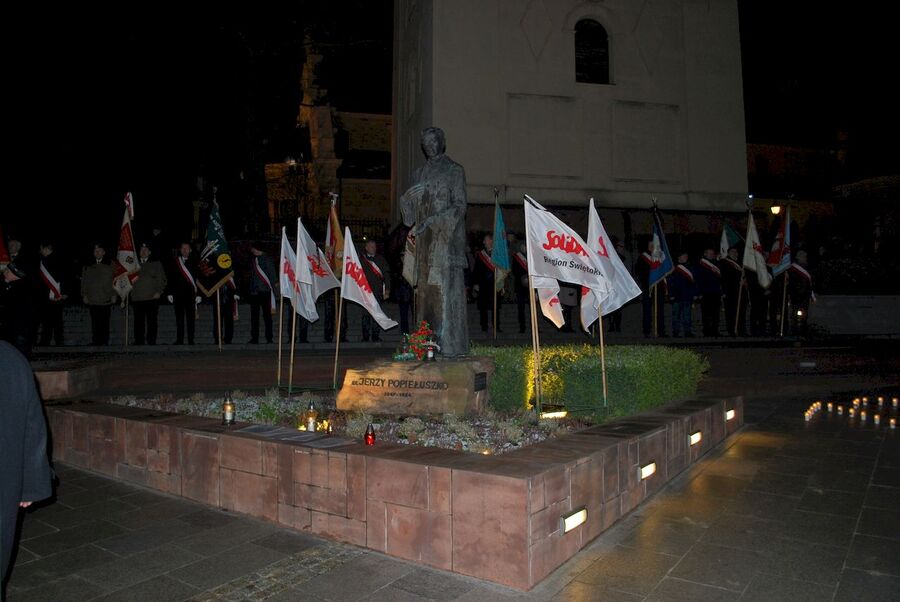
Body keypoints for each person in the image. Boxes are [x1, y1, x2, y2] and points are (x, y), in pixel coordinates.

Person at [399, 126, 470, 357]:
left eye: (433, 142)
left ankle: (448, 347)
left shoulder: (453, 170)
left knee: (445, 295)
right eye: (425, 143)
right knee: (424, 296)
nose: (429, 146)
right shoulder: (417, 175)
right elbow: (408, 219)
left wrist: (433, 221)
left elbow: (460, 206)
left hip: (444, 243)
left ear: (442, 142)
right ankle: (424, 344)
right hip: (423, 246)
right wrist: (406, 201)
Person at [1, 341, 53, 594]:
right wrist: (30, 485)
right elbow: (34, 424)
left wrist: (31, 483)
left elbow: (32, 422)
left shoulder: (9, 358)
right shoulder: (9, 356)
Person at [131, 242, 167, 345]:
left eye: (146, 250)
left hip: (152, 297)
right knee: (138, 322)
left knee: (152, 321)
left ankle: (151, 341)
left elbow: (162, 279)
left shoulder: (156, 264)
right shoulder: (133, 265)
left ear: (150, 252)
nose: (143, 252)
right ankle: (139, 340)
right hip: (137, 298)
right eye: (141, 250)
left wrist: (159, 292)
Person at [81, 243, 116, 346]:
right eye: (95, 251)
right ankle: (96, 341)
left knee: (104, 322)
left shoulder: (111, 264)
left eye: (99, 250)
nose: (97, 252)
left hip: (105, 298)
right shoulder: (88, 265)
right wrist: (84, 294)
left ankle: (104, 341)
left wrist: (114, 294)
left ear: (104, 252)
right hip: (93, 298)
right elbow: (84, 281)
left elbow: (116, 280)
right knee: (95, 322)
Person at [359, 239, 391, 342]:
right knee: (365, 315)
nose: (373, 248)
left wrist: (387, 290)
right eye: (371, 246)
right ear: (366, 247)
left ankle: (375, 336)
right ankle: (365, 336)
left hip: (377, 292)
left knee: (377, 314)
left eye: (374, 246)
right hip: (365, 292)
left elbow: (387, 275)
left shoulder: (381, 259)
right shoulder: (361, 260)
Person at [168, 242, 198, 345]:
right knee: (179, 319)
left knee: (191, 319)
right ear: (180, 250)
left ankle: (191, 340)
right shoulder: (175, 262)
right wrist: (170, 293)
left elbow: (198, 279)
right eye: (183, 248)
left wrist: (199, 295)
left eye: (187, 248)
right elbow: (171, 278)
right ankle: (179, 340)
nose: (185, 250)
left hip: (190, 294)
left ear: (190, 250)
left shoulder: (195, 262)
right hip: (178, 294)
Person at [36, 241, 66, 346]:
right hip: (49, 295)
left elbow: (63, 277)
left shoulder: (53, 260)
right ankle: (55, 341)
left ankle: (51, 341)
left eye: (41, 249)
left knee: (52, 320)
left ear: (46, 248)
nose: (40, 251)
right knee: (49, 320)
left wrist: (62, 292)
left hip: (54, 294)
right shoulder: (44, 261)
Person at [247, 241, 277, 344]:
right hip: (255, 292)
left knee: (267, 316)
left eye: (253, 248)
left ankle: (269, 338)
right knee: (254, 317)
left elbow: (272, 276)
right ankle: (254, 338)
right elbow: (252, 277)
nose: (252, 250)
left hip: (265, 292)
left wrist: (272, 290)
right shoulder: (253, 260)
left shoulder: (268, 259)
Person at [635, 240, 666, 337]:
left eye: (654, 245)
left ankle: (661, 331)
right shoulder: (643, 257)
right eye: (651, 245)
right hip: (648, 287)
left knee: (660, 311)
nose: (653, 246)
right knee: (647, 310)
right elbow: (638, 271)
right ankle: (647, 331)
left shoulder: (660, 257)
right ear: (648, 246)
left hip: (659, 287)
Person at [472, 234, 501, 333]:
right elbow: (476, 269)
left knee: (495, 306)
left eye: (486, 240)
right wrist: (475, 283)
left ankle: (496, 326)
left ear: (491, 241)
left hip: (494, 283)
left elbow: (502, 268)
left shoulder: (498, 254)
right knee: (483, 306)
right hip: (483, 284)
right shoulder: (481, 255)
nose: (484, 242)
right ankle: (484, 326)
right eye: (484, 240)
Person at [720, 246, 746, 337]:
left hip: (741, 292)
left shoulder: (741, 263)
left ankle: (741, 330)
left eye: (736, 251)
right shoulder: (724, 263)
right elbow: (725, 277)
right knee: (731, 312)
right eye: (733, 251)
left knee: (741, 312)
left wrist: (744, 280)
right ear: (728, 253)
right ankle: (732, 330)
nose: (735, 253)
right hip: (730, 292)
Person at [696, 248, 722, 337]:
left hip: (716, 293)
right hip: (706, 293)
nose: (711, 255)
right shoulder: (702, 265)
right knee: (706, 314)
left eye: (712, 253)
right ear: (705, 254)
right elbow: (699, 280)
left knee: (716, 314)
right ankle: (707, 332)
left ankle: (715, 331)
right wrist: (700, 292)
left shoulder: (716, 264)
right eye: (709, 253)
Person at [606, 238, 630, 333]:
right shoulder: (613, 257)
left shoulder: (624, 258)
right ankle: (612, 326)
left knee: (619, 307)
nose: (622, 248)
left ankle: (617, 326)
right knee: (612, 306)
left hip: (620, 285)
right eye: (620, 246)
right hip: (612, 284)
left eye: (623, 247)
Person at [788, 249, 813, 337]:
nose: (805, 258)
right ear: (799, 258)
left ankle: (803, 330)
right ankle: (796, 331)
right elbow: (793, 284)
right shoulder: (795, 270)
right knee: (797, 315)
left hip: (804, 296)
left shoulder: (805, 268)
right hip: (797, 296)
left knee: (803, 316)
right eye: (804, 257)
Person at [212, 278, 237, 345]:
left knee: (229, 321)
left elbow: (235, 282)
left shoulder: (229, 271)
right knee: (217, 322)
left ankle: (228, 339)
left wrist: (235, 292)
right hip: (217, 300)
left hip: (228, 300)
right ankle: (218, 339)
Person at [511, 241, 529, 333]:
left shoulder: (532, 257)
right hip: (520, 286)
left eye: (526, 246)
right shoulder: (517, 257)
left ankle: (535, 327)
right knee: (521, 308)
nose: (524, 248)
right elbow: (514, 271)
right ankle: (522, 327)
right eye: (523, 246)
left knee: (532, 308)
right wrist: (524, 277)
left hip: (530, 286)